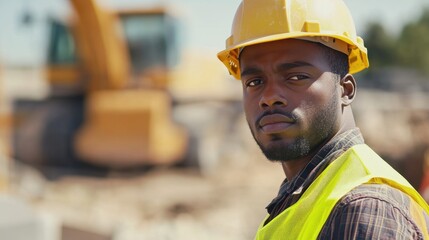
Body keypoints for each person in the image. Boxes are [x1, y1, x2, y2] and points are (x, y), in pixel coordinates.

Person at [217, 0, 429, 239]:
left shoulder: (364, 209)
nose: (269, 97)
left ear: (346, 89)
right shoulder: (304, 195)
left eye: (296, 76)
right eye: (254, 82)